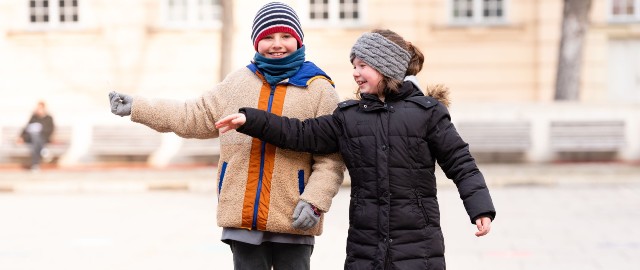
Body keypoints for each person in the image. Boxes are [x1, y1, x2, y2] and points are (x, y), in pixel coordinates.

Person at [216, 29, 497, 270]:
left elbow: (461, 163)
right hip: (366, 245)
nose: (355, 73)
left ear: (385, 68)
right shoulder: (349, 116)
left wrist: (480, 209)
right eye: (354, 65)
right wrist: (251, 120)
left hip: (418, 245)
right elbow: (300, 132)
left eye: (362, 65)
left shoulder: (427, 113)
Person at [108, 2, 344, 269]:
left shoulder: (320, 90)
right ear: (256, 42)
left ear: (298, 40)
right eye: (268, 37)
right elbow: (191, 115)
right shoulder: (237, 82)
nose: (277, 44)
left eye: (285, 36)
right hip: (242, 220)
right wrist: (138, 107)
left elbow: (332, 158)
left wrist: (315, 200)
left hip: (293, 217)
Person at [16, 100, 55, 171]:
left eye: (40, 108)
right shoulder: (34, 117)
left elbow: (50, 130)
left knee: (36, 141)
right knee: (34, 136)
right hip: (30, 138)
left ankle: (35, 165)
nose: (38, 110)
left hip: (43, 138)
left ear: (44, 109)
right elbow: (27, 127)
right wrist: (21, 136)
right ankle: (43, 150)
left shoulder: (48, 118)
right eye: (38, 108)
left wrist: (40, 130)